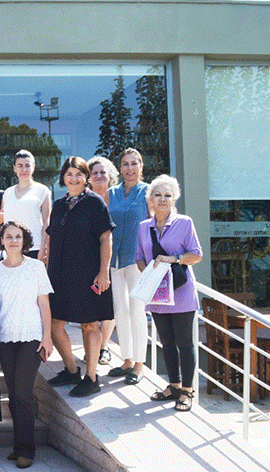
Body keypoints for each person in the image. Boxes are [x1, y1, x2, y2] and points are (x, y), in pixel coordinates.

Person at [47, 157, 114, 398]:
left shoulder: (94, 203)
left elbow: (106, 238)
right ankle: (72, 370)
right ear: (63, 177)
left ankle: (92, 377)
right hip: (59, 274)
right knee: (54, 324)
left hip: (89, 273)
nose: (74, 178)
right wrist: (47, 269)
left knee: (89, 324)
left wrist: (103, 271)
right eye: (69, 174)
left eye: (79, 174)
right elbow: (51, 238)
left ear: (86, 177)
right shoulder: (58, 205)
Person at [0, 222, 53, 470]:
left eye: (18, 236)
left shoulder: (36, 267)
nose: (14, 240)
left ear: (24, 240)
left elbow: (44, 304)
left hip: (32, 336)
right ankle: (18, 446)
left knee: (22, 394)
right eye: (9, 236)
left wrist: (47, 337)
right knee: (14, 395)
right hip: (5, 338)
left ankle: (26, 450)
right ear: (2, 241)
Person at [136, 174, 202, 412]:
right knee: (166, 342)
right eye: (158, 195)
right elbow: (139, 258)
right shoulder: (144, 227)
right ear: (150, 200)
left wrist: (173, 259)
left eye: (167, 195)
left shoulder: (184, 223)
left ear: (174, 199)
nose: (162, 199)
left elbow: (196, 255)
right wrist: (152, 276)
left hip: (181, 292)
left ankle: (187, 390)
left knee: (184, 342)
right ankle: (173, 386)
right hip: (158, 293)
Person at [105, 149, 150, 384]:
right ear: (120, 168)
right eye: (125, 164)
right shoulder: (111, 193)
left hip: (138, 260)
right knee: (120, 310)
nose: (130, 168)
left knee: (137, 311)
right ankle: (127, 359)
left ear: (141, 166)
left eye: (134, 163)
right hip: (114, 259)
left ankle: (139, 364)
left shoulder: (148, 192)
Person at [87, 156, 119, 366]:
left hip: (116, 258)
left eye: (102, 172)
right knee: (91, 304)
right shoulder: (85, 198)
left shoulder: (118, 197)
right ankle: (92, 346)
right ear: (89, 177)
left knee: (109, 303)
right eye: (94, 173)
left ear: (110, 176)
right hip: (90, 257)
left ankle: (104, 346)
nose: (99, 176)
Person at [4, 150, 51, 260]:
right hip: (12, 248)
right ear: (14, 168)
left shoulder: (42, 191)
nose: (24, 170)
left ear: (33, 167)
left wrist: (43, 248)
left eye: (27, 166)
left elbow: (46, 222)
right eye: (20, 166)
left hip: (34, 248)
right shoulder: (7, 193)